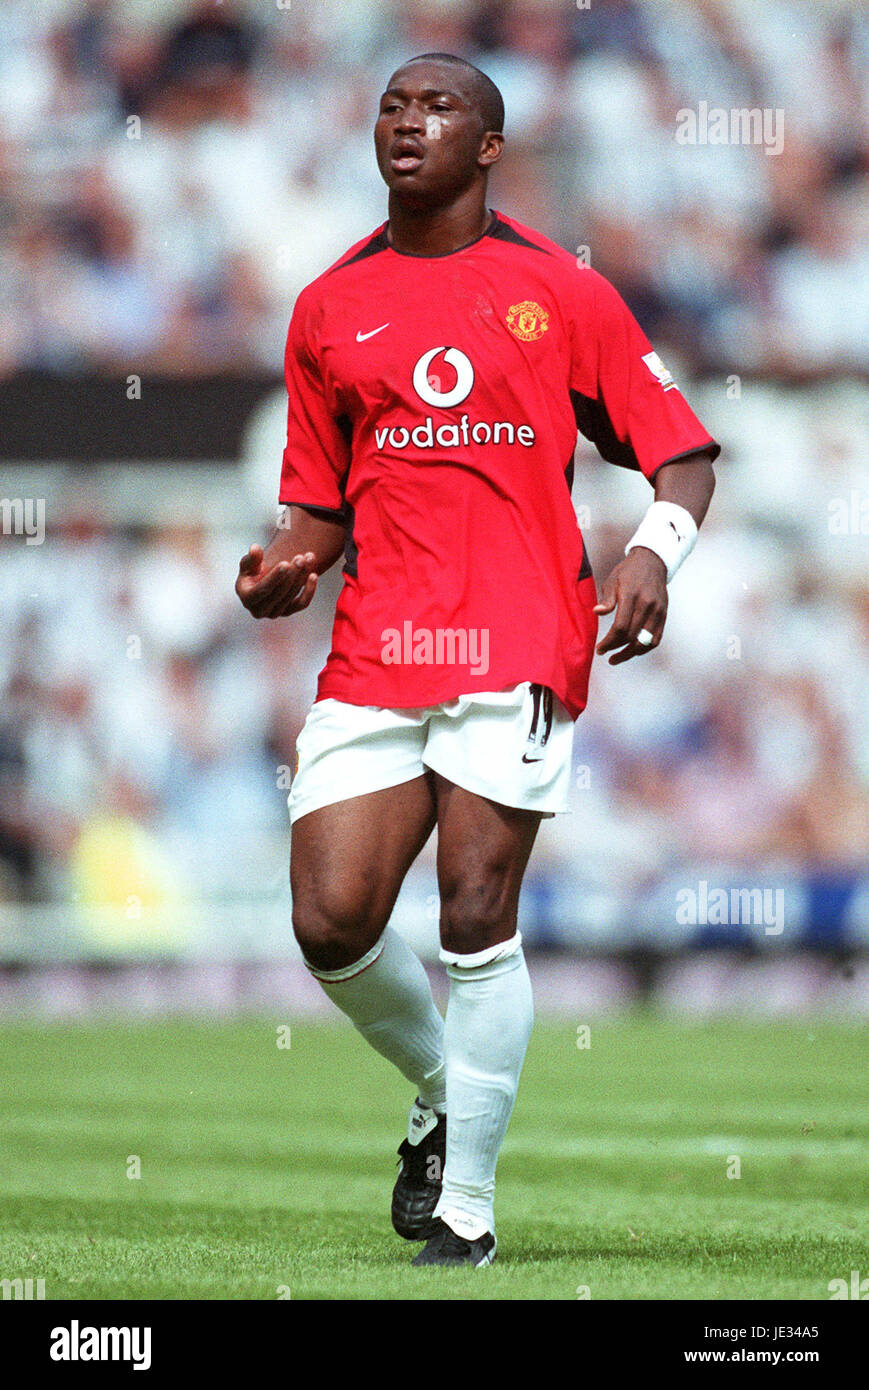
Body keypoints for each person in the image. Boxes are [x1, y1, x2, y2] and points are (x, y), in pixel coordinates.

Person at [235, 52, 718, 1268]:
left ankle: (467, 1208)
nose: (408, 123)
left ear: (489, 147)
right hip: (377, 644)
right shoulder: (327, 305)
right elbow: (315, 504)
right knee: (329, 919)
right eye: (392, 106)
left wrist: (651, 555)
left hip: (517, 633)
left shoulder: (559, 291)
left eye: (437, 106)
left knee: (473, 912)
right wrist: (284, 560)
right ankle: (445, 1090)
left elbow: (684, 456)